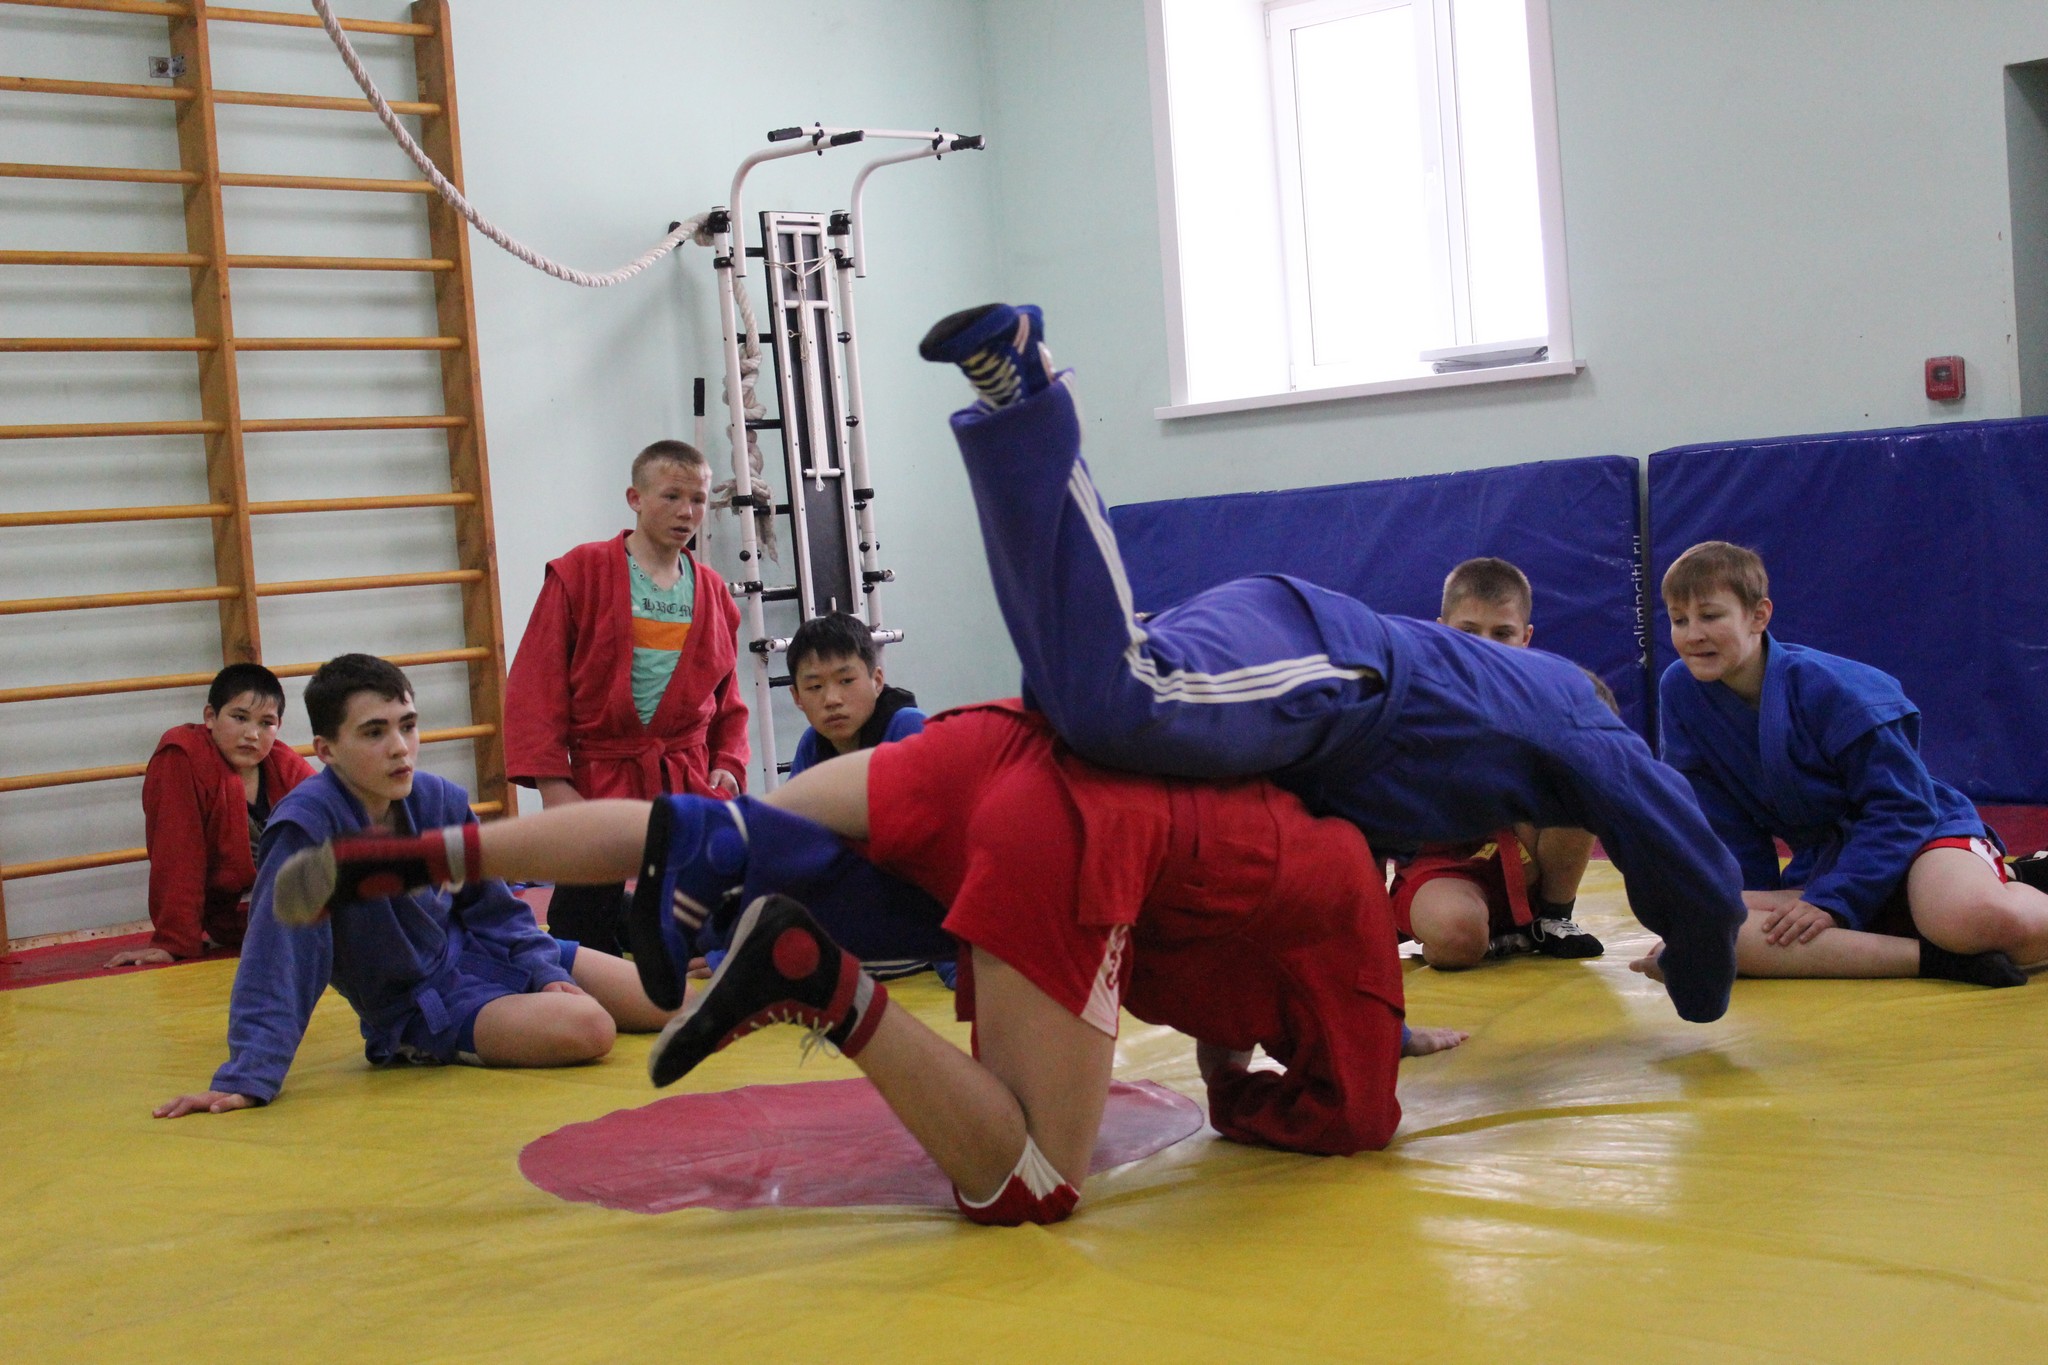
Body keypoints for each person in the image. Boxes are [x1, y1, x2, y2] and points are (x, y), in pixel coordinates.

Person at [270, 701, 1467, 1225]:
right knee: (1030, 1183)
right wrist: (1246, 1083)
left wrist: (1243, 1042)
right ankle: (820, 982)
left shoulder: (1276, 789)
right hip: (1074, 828)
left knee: (717, 825)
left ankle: (424, 853)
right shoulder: (1344, 913)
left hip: (992, 743)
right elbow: (1355, 1113)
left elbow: (1235, 960)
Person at [914, 302, 1747, 1023]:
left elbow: (1343, 889)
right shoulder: (1578, 716)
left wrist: (1376, 1024)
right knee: (1121, 698)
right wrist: (1697, 982)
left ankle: (1026, 439)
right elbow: (1698, 870)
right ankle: (1031, 399)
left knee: (1070, 715)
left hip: (1311, 682)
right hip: (1341, 671)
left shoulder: (1444, 773)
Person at [154, 655, 673, 1119]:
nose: (400, 748)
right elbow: (279, 955)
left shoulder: (438, 799)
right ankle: (414, 1045)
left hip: (492, 952)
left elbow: (494, 908)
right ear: (327, 750)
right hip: (422, 1004)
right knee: (590, 1027)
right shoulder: (307, 829)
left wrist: (541, 969)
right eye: (374, 733)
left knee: (672, 1001)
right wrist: (249, 1074)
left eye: (408, 726)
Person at [1633, 541, 2037, 989]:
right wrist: (1738, 907)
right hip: (1830, 865)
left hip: (1922, 839)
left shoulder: (1838, 691)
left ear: (1759, 616)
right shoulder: (1682, 691)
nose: (1693, 635)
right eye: (1679, 620)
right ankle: (1941, 961)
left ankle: (2017, 880)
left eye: (1710, 616)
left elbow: (1906, 809)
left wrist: (1836, 900)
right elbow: (1720, 819)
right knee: (1703, 926)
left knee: (1965, 920)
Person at [504, 438, 748, 955]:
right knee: (579, 921)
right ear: (635, 498)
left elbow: (726, 695)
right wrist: (553, 782)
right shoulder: (582, 572)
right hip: (604, 768)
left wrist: (728, 760)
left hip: (683, 770)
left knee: (690, 918)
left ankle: (647, 931)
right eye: (671, 496)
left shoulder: (712, 591)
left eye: (698, 499)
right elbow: (536, 683)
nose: (686, 512)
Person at [1392, 558, 1604, 968]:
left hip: (1527, 862)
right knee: (1457, 936)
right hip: (1443, 869)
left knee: (1584, 768)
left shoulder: (1548, 699)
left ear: (1525, 638)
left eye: (1501, 633)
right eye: (1468, 632)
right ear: (1441, 631)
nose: (1483, 646)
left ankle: (1553, 916)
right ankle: (1477, 933)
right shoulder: (1413, 704)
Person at [108, 664, 317, 968]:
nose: (252, 734)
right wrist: (174, 941)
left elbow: (338, 829)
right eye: (239, 717)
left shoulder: (284, 764)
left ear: (278, 726)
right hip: (240, 915)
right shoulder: (182, 756)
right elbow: (178, 854)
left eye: (266, 723)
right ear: (210, 716)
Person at [787, 612, 925, 778]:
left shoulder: (909, 726)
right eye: (815, 686)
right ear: (797, 697)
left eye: (846, 681)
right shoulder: (812, 742)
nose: (832, 700)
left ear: (877, 681)